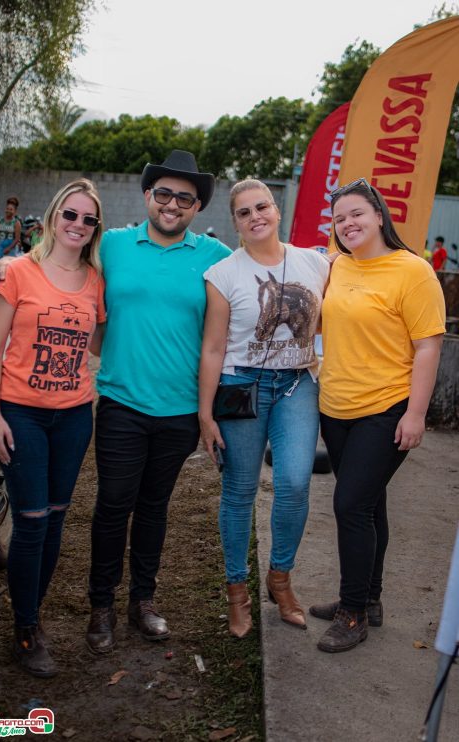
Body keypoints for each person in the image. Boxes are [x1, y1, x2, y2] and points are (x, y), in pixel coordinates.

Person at [86, 150, 231, 653]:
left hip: (181, 411)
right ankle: (100, 606)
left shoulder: (214, 256)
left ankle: (142, 602)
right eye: (164, 194)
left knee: (154, 508)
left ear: (197, 207)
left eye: (184, 198)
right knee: (112, 505)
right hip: (122, 402)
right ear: (148, 196)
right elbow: (56, 260)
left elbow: (262, 277)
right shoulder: (114, 246)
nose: (172, 205)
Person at [309, 178, 445, 653]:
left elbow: (429, 345)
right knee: (369, 504)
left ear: (379, 216)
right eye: (339, 218)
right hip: (336, 406)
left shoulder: (413, 271)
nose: (347, 224)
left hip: (386, 408)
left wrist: (416, 414)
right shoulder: (335, 266)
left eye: (356, 215)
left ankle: (352, 615)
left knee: (350, 506)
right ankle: (369, 599)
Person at [0, 179, 106, 677]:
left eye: (88, 219)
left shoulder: (97, 281)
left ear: (96, 229)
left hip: (75, 415)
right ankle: (27, 628)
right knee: (31, 520)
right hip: (21, 412)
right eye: (70, 215)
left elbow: (97, 347)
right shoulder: (17, 271)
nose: (77, 225)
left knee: (55, 517)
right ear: (55, 216)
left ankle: (34, 614)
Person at [199, 179, 330, 638]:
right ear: (235, 222)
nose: (255, 216)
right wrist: (205, 414)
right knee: (239, 490)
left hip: (298, 386)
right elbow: (213, 348)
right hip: (241, 386)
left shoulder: (315, 264)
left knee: (294, 483)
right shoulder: (223, 274)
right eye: (243, 212)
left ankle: (280, 580)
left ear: (276, 211)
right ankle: (238, 593)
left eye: (262, 207)